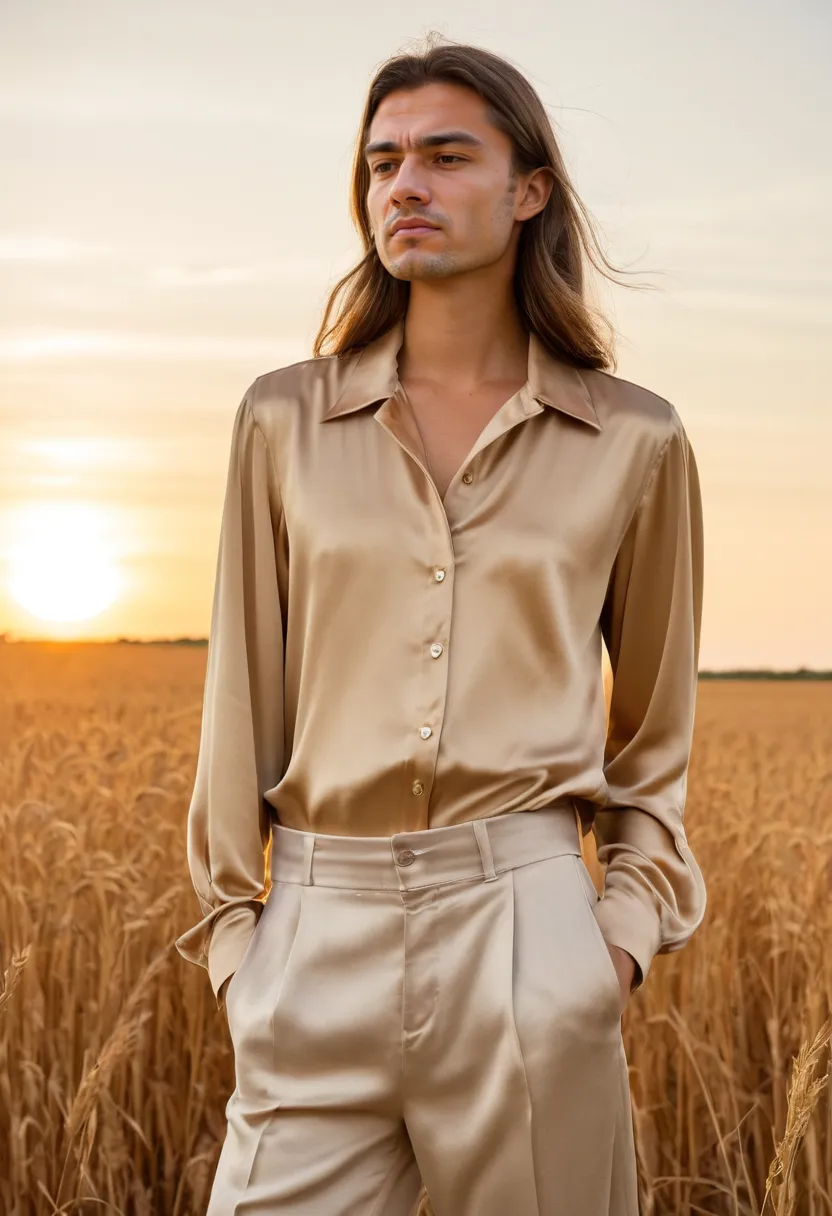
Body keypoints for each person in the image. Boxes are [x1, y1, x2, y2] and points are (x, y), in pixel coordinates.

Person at [175, 32, 707, 1216]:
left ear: (529, 192)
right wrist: (237, 950)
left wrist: (611, 946)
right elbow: (240, 694)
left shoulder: (634, 440)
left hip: (528, 941)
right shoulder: (283, 421)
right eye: (382, 162)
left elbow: (654, 739)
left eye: (444, 156)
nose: (404, 185)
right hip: (312, 939)